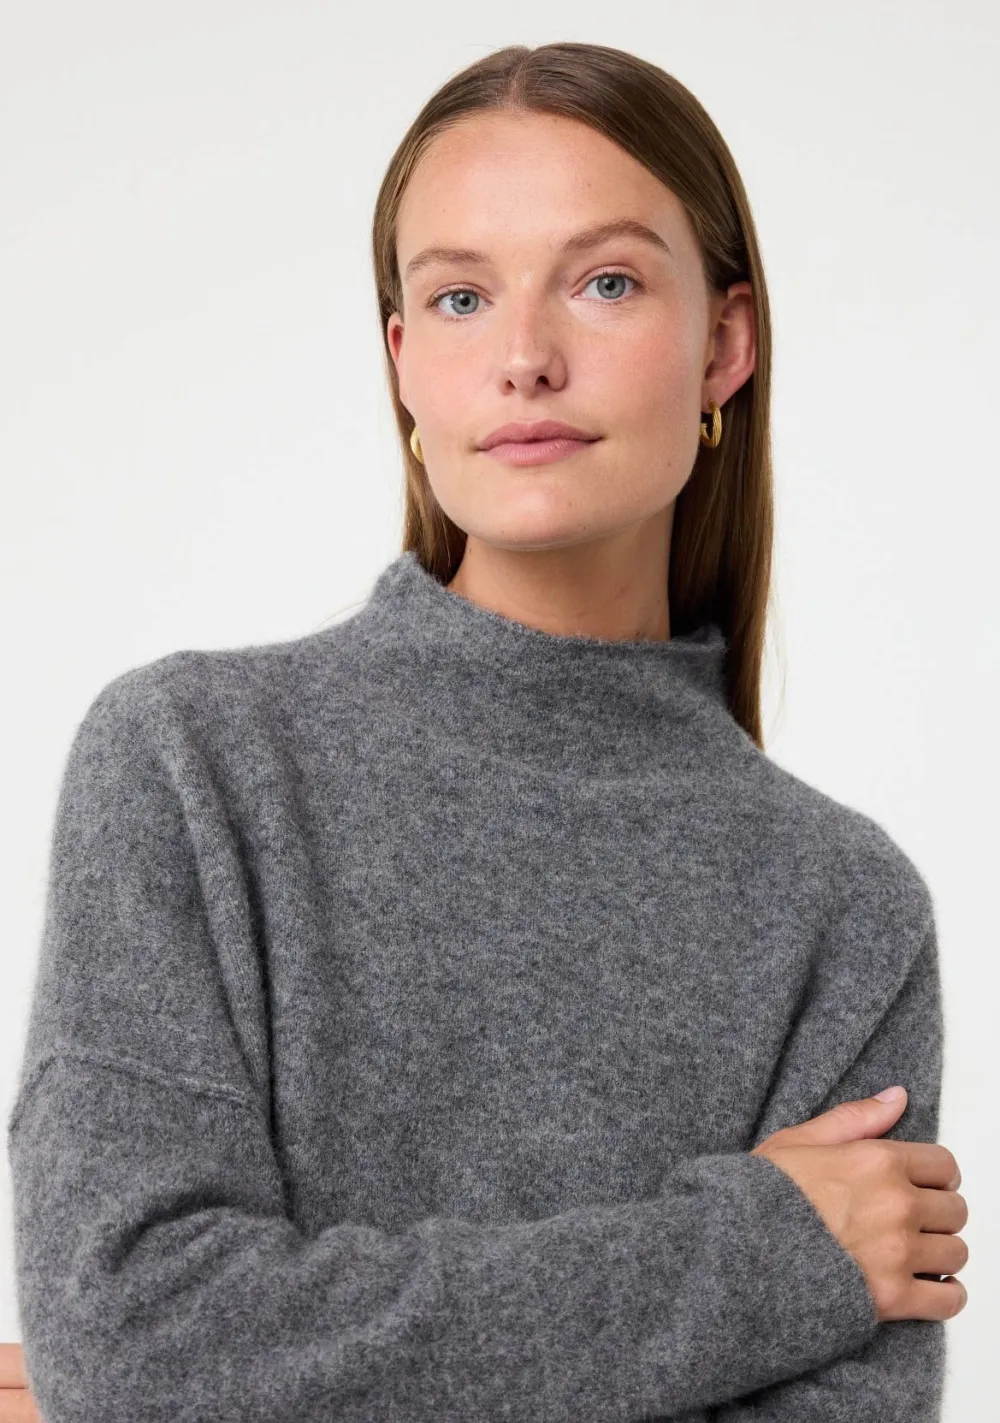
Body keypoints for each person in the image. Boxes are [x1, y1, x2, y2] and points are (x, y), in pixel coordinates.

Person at [7, 40, 966, 1423]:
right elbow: (134, 1340)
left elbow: (155, 1375)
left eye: (606, 282)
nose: (524, 359)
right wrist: (762, 1256)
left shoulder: (844, 904)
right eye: (460, 296)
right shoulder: (189, 764)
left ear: (725, 345)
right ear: (404, 361)